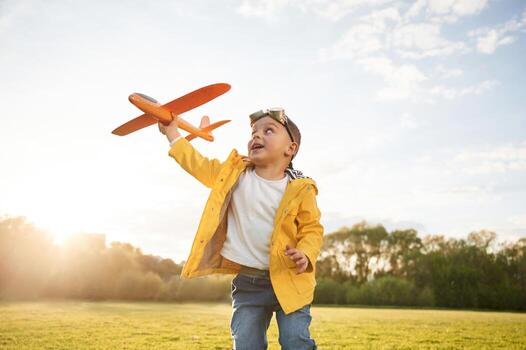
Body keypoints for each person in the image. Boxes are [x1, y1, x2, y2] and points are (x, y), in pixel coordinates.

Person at [158, 107, 323, 350]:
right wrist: (173, 134)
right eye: (254, 132)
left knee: (295, 341)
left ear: (291, 149)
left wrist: (306, 253)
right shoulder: (233, 174)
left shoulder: (302, 188)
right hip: (248, 282)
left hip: (291, 279)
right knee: (246, 344)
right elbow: (198, 164)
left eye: (268, 130)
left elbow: (312, 229)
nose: (256, 136)